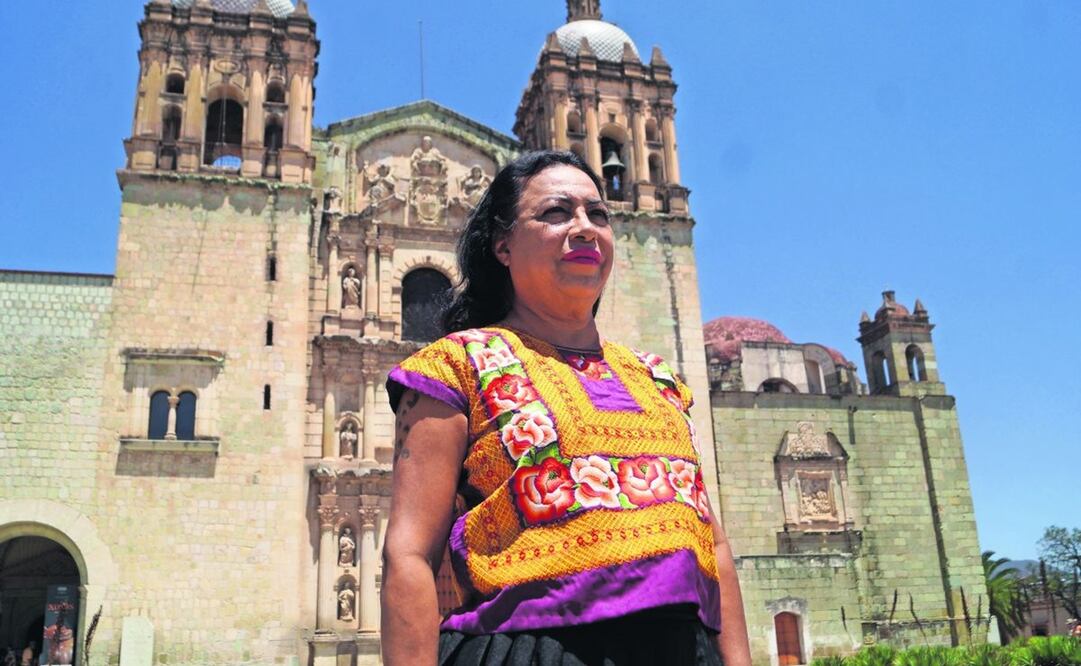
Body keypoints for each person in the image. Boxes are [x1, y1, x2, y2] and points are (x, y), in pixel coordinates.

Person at [381, 150, 750, 665]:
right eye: (556, 212)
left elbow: (713, 550)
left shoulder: (660, 380)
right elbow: (409, 556)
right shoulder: (453, 367)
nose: (584, 228)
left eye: (597, 214)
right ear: (503, 245)